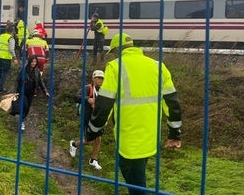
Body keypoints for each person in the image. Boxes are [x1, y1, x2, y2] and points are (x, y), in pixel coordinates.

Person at [86, 33, 182, 195]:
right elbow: (172, 103)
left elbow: (104, 104)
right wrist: (175, 133)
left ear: (117, 49)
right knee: (137, 176)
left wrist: (93, 130)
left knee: (134, 181)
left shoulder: (115, 67)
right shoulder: (158, 66)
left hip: (128, 137)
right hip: (150, 137)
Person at [69, 70, 105, 170]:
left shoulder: (103, 90)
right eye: (98, 78)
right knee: (90, 141)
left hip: (98, 119)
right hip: (88, 117)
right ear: (93, 78)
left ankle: (93, 160)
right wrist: (87, 99)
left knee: (98, 140)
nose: (100, 80)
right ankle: (74, 144)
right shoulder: (87, 88)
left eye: (102, 78)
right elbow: (76, 97)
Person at [15, 55, 50, 130]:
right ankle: (21, 122)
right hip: (22, 91)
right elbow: (18, 80)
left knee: (27, 108)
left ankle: (22, 119)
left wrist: (45, 91)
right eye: (32, 62)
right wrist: (17, 91)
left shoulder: (37, 71)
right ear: (29, 62)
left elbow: (40, 82)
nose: (33, 63)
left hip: (31, 92)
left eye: (35, 62)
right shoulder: (23, 69)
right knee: (25, 105)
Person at [0, 24, 19, 93]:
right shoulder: (11, 38)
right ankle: (1, 87)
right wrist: (15, 58)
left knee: (0, 70)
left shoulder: (1, 36)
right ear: (13, 32)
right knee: (5, 72)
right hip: (6, 57)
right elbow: (11, 49)